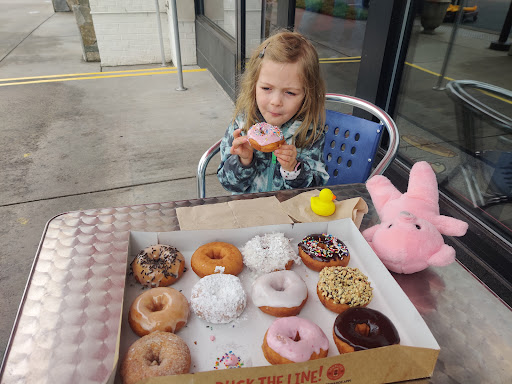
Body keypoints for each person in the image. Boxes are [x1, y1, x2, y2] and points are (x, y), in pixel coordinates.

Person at [217, 30, 329, 194]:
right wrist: (243, 161)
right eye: (266, 88)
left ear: (308, 94)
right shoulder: (242, 125)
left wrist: (293, 169)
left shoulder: (309, 133)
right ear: (253, 85)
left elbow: (315, 188)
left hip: (289, 214)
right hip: (247, 211)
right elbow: (228, 184)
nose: (276, 102)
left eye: (290, 93)